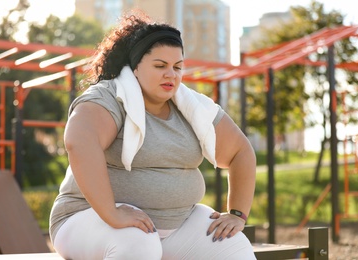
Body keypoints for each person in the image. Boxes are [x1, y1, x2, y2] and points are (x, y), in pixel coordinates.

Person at [49, 10, 257, 260]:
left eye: (177, 67)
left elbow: (240, 152)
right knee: (138, 243)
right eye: (160, 66)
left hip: (176, 225)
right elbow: (79, 142)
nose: (171, 74)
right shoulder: (109, 97)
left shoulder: (195, 108)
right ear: (135, 67)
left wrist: (237, 214)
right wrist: (111, 213)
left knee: (233, 246)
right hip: (88, 219)